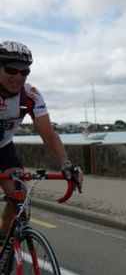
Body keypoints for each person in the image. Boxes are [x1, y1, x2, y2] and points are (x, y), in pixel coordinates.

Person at [0, 40, 83, 241]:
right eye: (11, 70)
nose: (18, 77)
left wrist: (66, 165)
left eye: (24, 72)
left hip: (3, 148)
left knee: (20, 202)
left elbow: (48, 135)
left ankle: (4, 238)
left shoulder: (30, 95)